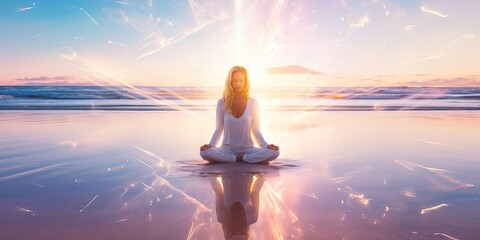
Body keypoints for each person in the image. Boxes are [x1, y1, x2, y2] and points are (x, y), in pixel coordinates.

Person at [200, 66, 280, 163]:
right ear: (230, 82)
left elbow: (255, 129)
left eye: (241, 80)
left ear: (246, 82)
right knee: (204, 152)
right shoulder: (222, 103)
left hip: (248, 150)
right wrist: (211, 146)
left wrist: (266, 146)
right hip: (227, 149)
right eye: (235, 80)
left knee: (275, 152)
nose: (238, 83)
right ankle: (235, 159)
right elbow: (219, 128)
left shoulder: (253, 103)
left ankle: (243, 158)